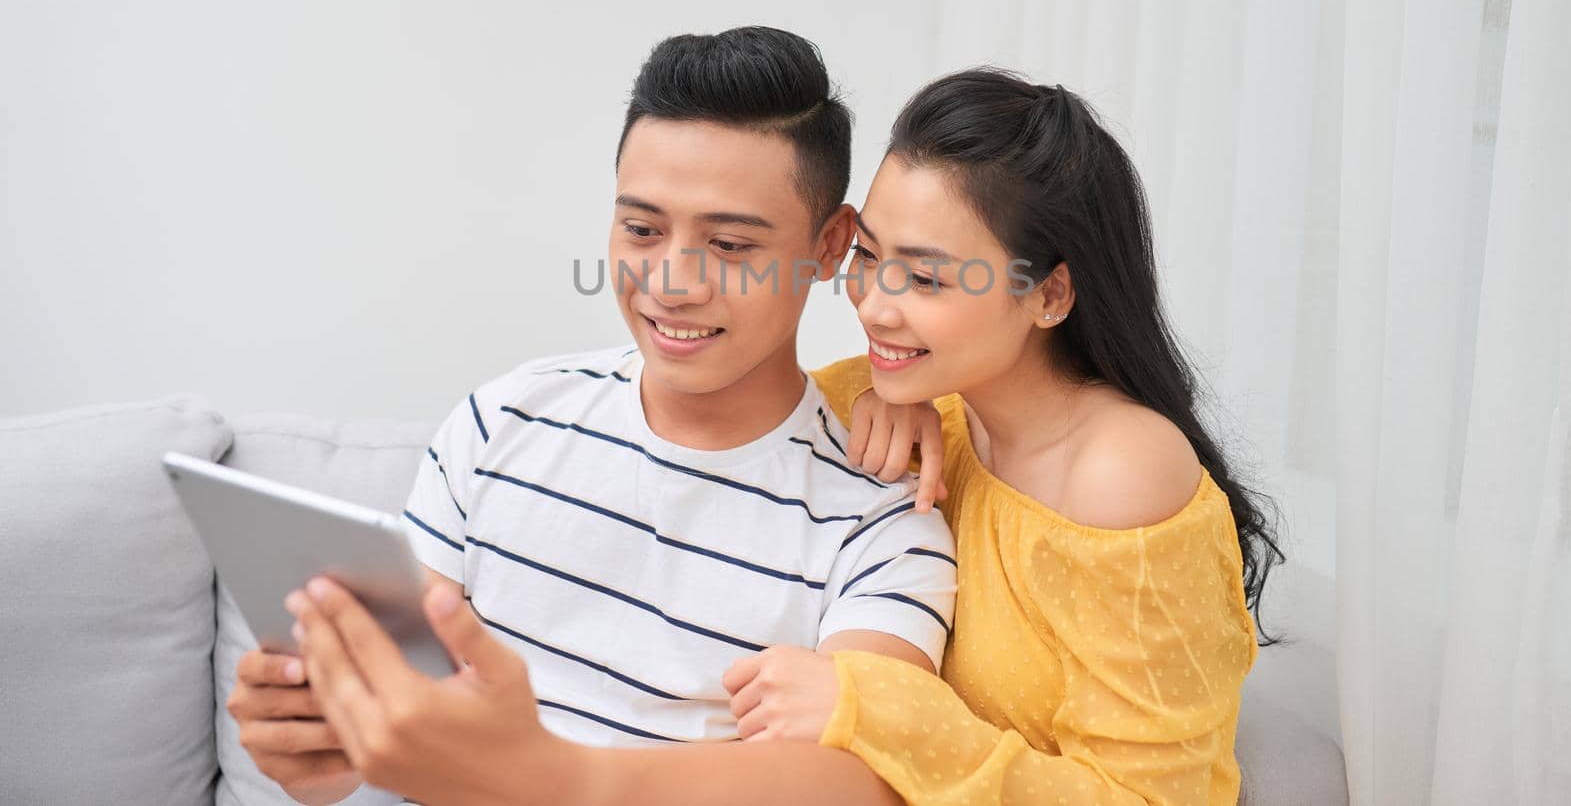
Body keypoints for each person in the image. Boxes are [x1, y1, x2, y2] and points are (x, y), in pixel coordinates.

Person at [288, 68, 1280, 805]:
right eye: (872, 261)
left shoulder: (1119, 470)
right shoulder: (902, 401)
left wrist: (876, 711)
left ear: (1051, 291)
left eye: (928, 280)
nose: (876, 307)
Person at [227, 28, 956, 804]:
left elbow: (861, 781)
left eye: (731, 244)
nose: (671, 283)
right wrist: (320, 744)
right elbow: (394, 724)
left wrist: (555, 779)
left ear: (830, 245)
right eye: (641, 230)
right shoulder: (504, 418)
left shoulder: (882, 520)